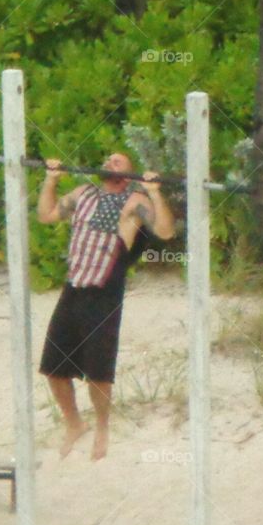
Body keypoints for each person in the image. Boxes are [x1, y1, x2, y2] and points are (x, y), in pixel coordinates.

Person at [38, 152, 176, 460]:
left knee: (98, 372)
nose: (108, 163)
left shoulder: (135, 201)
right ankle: (74, 423)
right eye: (107, 159)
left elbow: (166, 231)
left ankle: (102, 426)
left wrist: (155, 192)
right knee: (53, 367)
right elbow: (46, 215)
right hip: (74, 287)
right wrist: (51, 180)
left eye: (117, 162)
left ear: (128, 174)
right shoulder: (83, 193)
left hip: (104, 292)